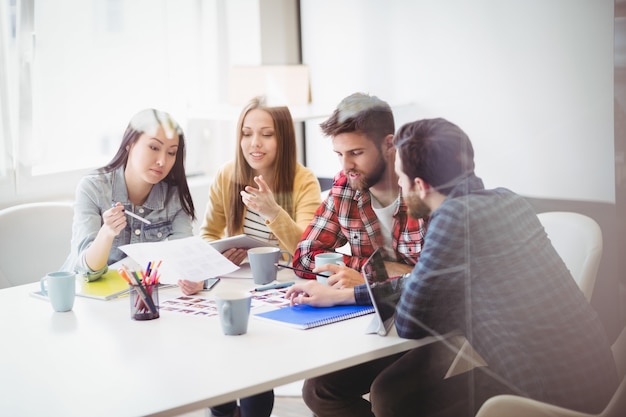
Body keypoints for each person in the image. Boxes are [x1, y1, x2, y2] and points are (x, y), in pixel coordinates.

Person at [285, 118, 618, 417]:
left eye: (402, 178)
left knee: (397, 401)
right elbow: (421, 282)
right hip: (595, 375)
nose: (399, 185)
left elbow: (411, 322)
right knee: (385, 392)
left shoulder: (453, 218)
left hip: (549, 396)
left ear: (422, 186)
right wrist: (344, 296)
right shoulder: (508, 200)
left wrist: (415, 287)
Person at [179, 96, 321, 417]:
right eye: (246, 133)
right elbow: (208, 235)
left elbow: (309, 248)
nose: (254, 143)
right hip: (234, 284)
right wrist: (216, 261)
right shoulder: (227, 175)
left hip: (283, 289)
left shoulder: (303, 180)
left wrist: (273, 212)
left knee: (255, 367)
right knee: (221, 363)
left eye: (267, 134)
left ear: (282, 138)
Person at [292, 92, 427, 288]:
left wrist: (366, 278)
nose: (346, 166)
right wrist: (377, 270)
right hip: (369, 310)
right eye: (339, 154)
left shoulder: (426, 188)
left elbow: (444, 281)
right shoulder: (345, 187)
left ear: (389, 144)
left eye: (356, 153)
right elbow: (304, 257)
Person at [62, 108, 195, 280]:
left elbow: (186, 258)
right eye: (154, 147)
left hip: (137, 297)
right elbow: (86, 271)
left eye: (171, 153)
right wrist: (107, 233)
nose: (162, 161)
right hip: (83, 294)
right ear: (130, 143)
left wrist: (193, 278)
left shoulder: (174, 196)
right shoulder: (93, 188)